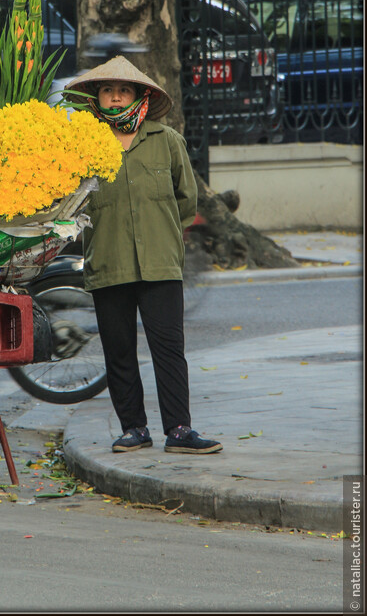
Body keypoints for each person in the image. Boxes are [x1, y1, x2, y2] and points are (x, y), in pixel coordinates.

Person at [65, 55, 222, 454]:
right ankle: (134, 428)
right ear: (96, 98)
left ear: (139, 97)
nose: (115, 99)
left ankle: (180, 430)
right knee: (119, 352)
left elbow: (186, 200)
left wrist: (161, 231)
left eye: (124, 91)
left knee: (169, 349)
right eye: (107, 91)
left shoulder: (166, 140)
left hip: (160, 262)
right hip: (108, 262)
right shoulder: (84, 148)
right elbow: (70, 207)